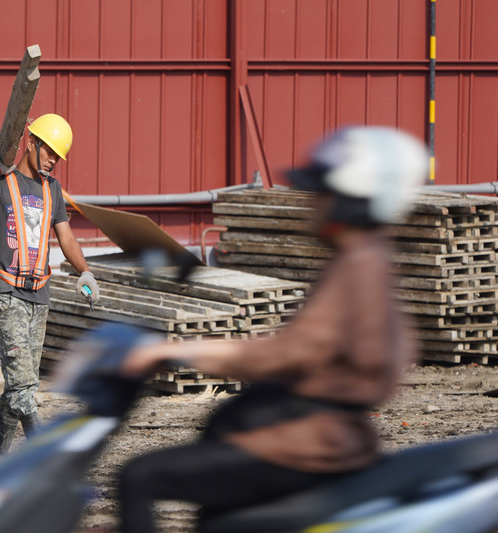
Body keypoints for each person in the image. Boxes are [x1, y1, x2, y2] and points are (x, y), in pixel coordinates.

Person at [117, 126, 428, 533]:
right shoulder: (369, 261)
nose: (312, 205)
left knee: (138, 477)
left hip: (306, 443)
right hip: (315, 437)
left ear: (353, 201)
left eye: (322, 193)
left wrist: (178, 351)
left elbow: (291, 353)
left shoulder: (358, 266)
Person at [0, 113, 100, 471]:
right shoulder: (2, 182)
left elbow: (66, 236)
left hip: (39, 295)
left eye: (57, 156)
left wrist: (85, 271)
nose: (52, 160)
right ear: (31, 142)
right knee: (23, 383)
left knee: (21, 384)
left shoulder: (51, 189)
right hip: (7, 293)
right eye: (49, 151)